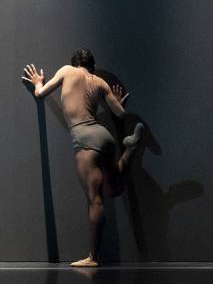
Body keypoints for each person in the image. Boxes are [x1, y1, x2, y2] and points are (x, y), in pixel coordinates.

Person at [22, 49, 144, 268]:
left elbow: (41, 93)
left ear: (75, 63)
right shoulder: (100, 82)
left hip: (84, 138)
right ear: (92, 66)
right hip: (104, 136)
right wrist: (116, 102)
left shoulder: (67, 71)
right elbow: (121, 114)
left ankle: (93, 257)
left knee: (95, 199)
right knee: (115, 189)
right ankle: (129, 148)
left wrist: (38, 82)